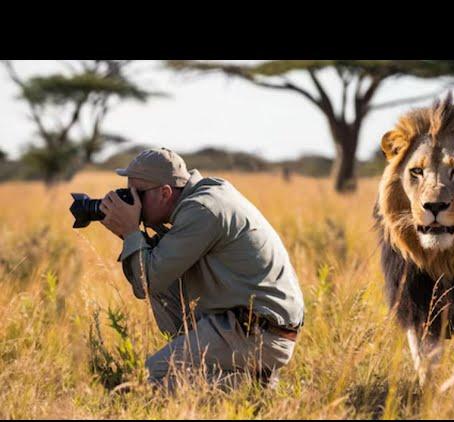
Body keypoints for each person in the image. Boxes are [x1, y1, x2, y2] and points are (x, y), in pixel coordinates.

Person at [98, 147, 304, 389]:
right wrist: (130, 235)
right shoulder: (203, 197)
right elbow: (154, 277)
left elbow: (147, 282)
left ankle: (253, 388)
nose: (131, 202)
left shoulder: (204, 209)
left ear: (165, 192)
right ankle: (223, 372)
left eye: (137, 195)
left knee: (144, 384)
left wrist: (131, 231)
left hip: (256, 333)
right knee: (160, 266)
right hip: (243, 325)